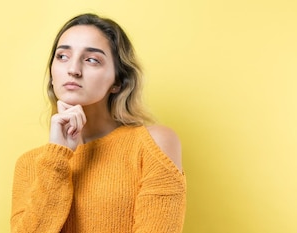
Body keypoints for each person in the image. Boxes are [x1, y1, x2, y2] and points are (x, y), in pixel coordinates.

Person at [10, 13, 186, 232]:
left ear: (119, 82)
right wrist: (58, 157)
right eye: (62, 56)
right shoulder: (30, 164)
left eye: (92, 59)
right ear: (52, 73)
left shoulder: (152, 144)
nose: (73, 69)